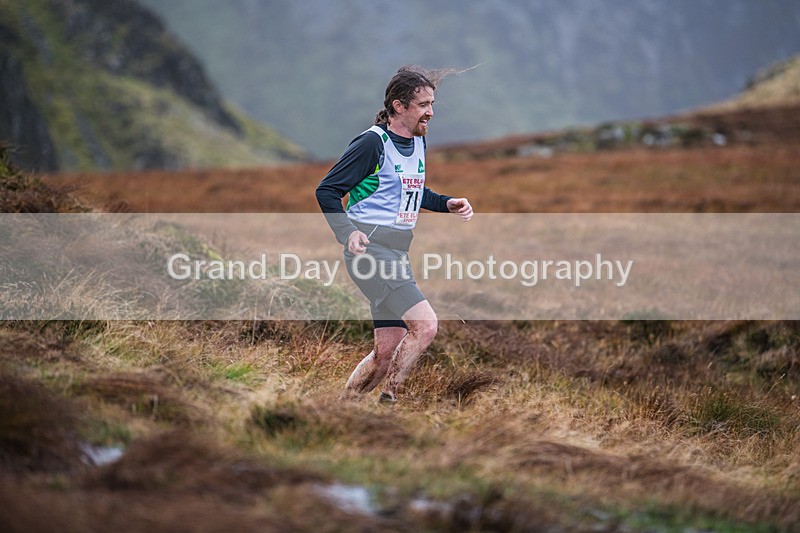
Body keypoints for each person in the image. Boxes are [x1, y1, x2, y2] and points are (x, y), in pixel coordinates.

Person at [316, 65, 473, 403]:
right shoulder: (372, 143)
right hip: (370, 252)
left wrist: (447, 203)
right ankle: (391, 402)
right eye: (423, 104)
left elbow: (412, 192)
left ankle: (342, 410)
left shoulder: (418, 141)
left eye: (433, 104)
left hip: (396, 253)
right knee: (426, 326)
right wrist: (347, 233)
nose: (430, 112)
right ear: (399, 106)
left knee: (385, 352)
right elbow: (327, 190)